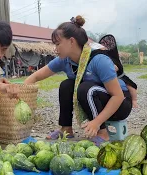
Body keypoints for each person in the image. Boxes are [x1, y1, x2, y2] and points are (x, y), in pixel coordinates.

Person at [24, 16, 132, 144]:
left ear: (71, 41)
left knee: (85, 88)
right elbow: (36, 76)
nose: (55, 49)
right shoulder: (65, 60)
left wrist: (96, 123)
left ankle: (102, 133)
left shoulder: (99, 60)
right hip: (95, 96)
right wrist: (19, 91)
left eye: (58, 44)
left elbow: (118, 96)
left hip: (120, 104)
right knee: (66, 85)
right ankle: (66, 129)